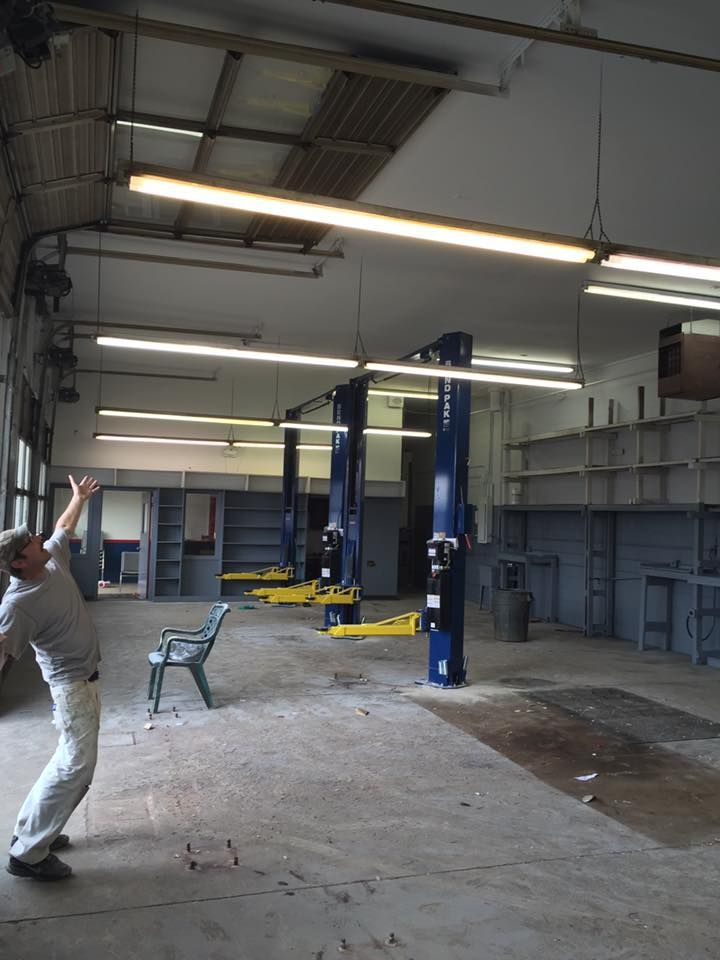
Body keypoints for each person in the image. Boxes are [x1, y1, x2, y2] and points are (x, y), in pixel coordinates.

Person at [0, 474, 101, 881]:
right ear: (18, 561)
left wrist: (78, 499)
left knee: (67, 761)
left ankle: (33, 832)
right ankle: (29, 854)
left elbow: (63, 526)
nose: (39, 538)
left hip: (86, 680)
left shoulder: (51, 557)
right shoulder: (18, 604)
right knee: (76, 766)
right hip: (71, 686)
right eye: (30, 541)